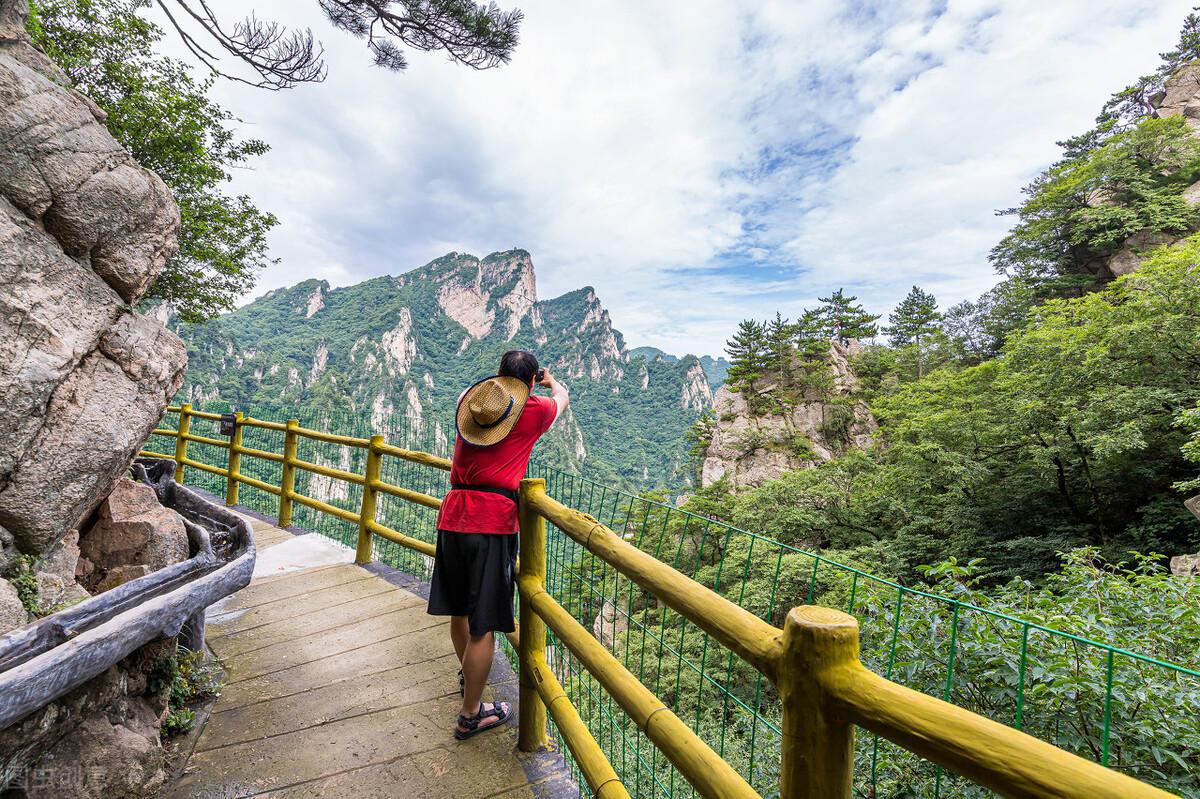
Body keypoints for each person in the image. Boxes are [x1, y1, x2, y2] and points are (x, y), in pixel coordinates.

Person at [427, 350, 569, 740]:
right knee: (483, 622)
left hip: (453, 513)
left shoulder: (470, 404)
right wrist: (549, 381)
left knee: (459, 611)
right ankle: (471, 714)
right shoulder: (533, 410)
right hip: (491, 523)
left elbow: (473, 396)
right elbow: (564, 398)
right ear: (528, 384)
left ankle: (469, 679)